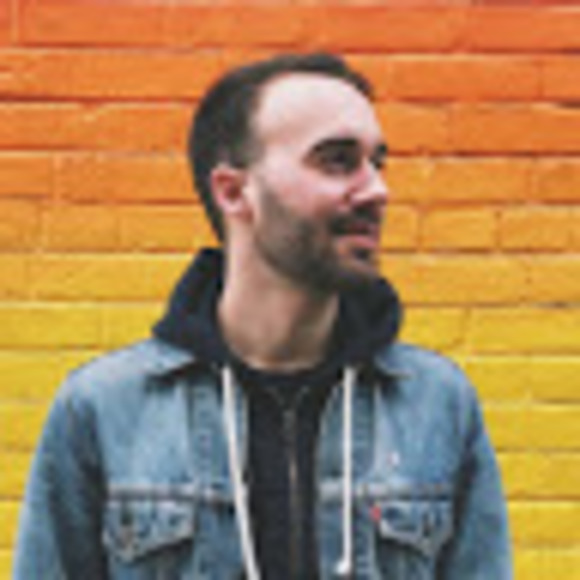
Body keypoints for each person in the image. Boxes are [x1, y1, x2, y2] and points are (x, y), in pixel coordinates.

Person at [14, 53, 511, 579]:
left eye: (377, 163)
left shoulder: (436, 404)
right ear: (234, 191)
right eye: (337, 161)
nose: (376, 190)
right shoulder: (105, 409)